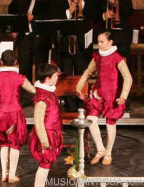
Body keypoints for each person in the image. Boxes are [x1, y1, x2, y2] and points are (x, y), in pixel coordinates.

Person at [76, 31, 132, 165]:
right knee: (91, 119)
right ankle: (101, 149)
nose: (99, 44)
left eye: (102, 42)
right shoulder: (97, 57)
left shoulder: (117, 57)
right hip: (98, 93)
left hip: (112, 95)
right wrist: (79, 87)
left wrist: (123, 96)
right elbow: (88, 72)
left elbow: (128, 78)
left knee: (110, 124)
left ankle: (109, 152)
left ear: (110, 42)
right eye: (98, 41)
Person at [0, 50, 36, 183]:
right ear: (15, 62)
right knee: (14, 144)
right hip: (15, 114)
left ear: (1, 62)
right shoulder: (20, 78)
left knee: (3, 144)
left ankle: (4, 174)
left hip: (0, 113)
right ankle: (12, 174)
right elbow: (33, 90)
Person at [8, 0, 51, 106]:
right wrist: (14, 28)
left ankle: (41, 96)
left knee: (41, 68)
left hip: (40, 36)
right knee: (24, 68)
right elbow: (12, 12)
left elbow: (50, 15)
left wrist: (34, 18)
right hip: (24, 36)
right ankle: (25, 98)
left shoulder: (46, 2)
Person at [29, 64, 63, 187]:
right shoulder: (43, 97)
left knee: (46, 164)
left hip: (52, 131)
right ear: (47, 79)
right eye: (55, 76)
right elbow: (38, 120)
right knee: (45, 163)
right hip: (47, 133)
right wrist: (44, 140)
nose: (57, 78)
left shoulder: (49, 92)